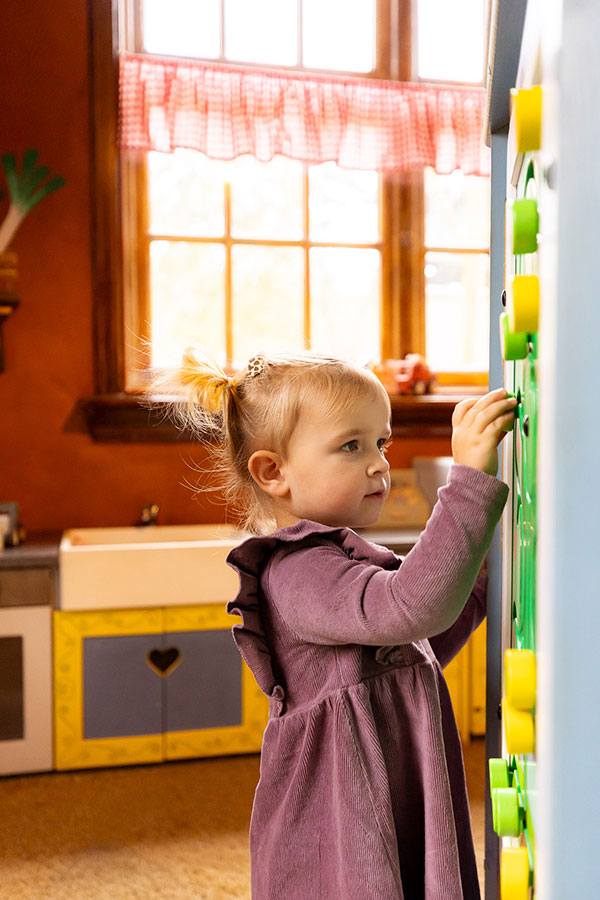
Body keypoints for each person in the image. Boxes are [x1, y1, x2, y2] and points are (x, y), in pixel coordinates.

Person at [156, 347, 516, 900]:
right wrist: (466, 483)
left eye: (381, 442)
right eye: (351, 446)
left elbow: (415, 639)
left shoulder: (344, 559)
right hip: (343, 812)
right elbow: (412, 608)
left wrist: (491, 570)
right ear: (273, 472)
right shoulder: (298, 571)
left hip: (388, 787)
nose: (378, 463)